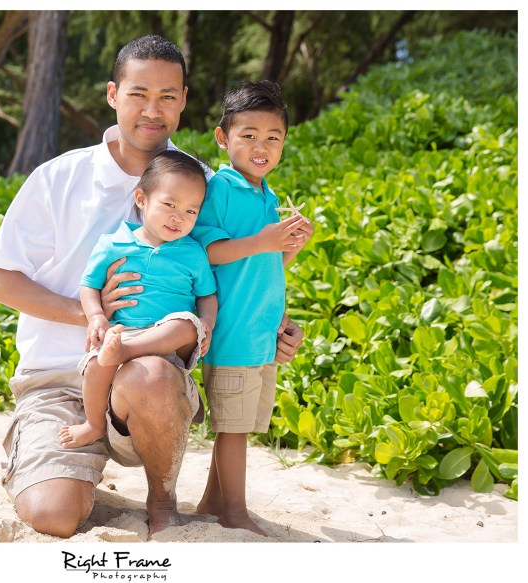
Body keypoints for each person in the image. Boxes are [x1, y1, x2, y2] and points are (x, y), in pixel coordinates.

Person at [0, 35, 305, 539]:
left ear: (183, 100)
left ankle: (163, 501)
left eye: (168, 96)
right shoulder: (60, 176)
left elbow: (235, 270)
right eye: (138, 94)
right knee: (55, 515)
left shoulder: (205, 184)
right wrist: (91, 314)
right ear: (113, 94)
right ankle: (46, 460)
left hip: (152, 379)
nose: (152, 110)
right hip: (59, 380)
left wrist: (274, 326)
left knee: (151, 373)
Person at [190, 80, 314, 536]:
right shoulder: (219, 188)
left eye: (272, 137)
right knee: (234, 430)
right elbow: (209, 252)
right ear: (223, 138)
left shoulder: (268, 197)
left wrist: (290, 246)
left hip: (257, 329)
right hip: (232, 332)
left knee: (238, 425)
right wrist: (264, 239)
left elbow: (261, 266)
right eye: (248, 135)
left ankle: (211, 503)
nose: (260, 147)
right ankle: (235, 514)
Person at [59, 151, 218, 449]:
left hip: (168, 341)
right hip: (122, 334)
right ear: (141, 199)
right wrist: (96, 317)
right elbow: (89, 285)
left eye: (190, 211)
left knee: (186, 323)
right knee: (96, 365)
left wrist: (207, 322)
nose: (178, 217)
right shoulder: (112, 243)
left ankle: (125, 352)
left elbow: (207, 295)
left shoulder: (193, 252)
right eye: (169, 204)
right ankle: (93, 424)